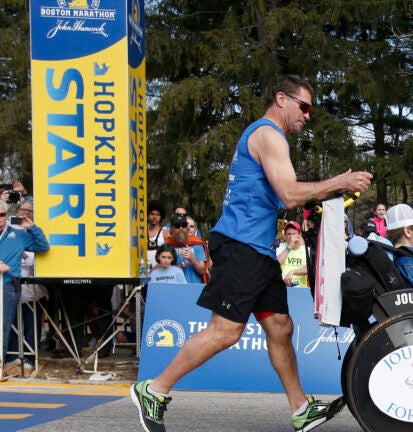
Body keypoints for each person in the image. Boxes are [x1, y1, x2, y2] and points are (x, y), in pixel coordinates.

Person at [131, 75, 372, 432]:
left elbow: (283, 198)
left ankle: (301, 408)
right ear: (281, 99)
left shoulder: (273, 139)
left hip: (256, 250)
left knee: (280, 326)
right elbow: (290, 193)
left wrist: (321, 199)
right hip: (240, 245)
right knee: (226, 332)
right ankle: (154, 389)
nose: (307, 115)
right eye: (303, 107)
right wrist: (339, 182)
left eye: (311, 110)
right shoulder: (268, 135)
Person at [0, 201, 50, 368]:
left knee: (4, 327)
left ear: (6, 216)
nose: (0, 219)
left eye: (2, 215)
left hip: (7, 286)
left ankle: (2, 364)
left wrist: (32, 227)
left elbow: (43, 247)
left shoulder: (18, 234)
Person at [164, 214, 209, 284]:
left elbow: (202, 271)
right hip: (173, 287)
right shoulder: (166, 245)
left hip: (193, 287)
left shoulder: (197, 244)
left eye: (184, 225)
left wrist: (193, 258)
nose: (181, 228)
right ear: (171, 229)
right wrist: (183, 264)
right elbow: (164, 271)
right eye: (177, 226)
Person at [277, 221, 308, 287]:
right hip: (281, 288)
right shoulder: (279, 247)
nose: (291, 237)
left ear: (300, 234)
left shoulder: (306, 250)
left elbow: (309, 268)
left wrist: (293, 272)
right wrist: (290, 246)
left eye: (294, 234)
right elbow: (276, 264)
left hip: (300, 289)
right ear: (284, 235)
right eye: (289, 234)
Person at [147, 200, 168, 267]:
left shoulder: (165, 233)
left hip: (159, 268)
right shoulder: (142, 232)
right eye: (152, 214)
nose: (155, 217)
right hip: (144, 268)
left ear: (161, 217)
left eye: (157, 215)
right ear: (147, 216)